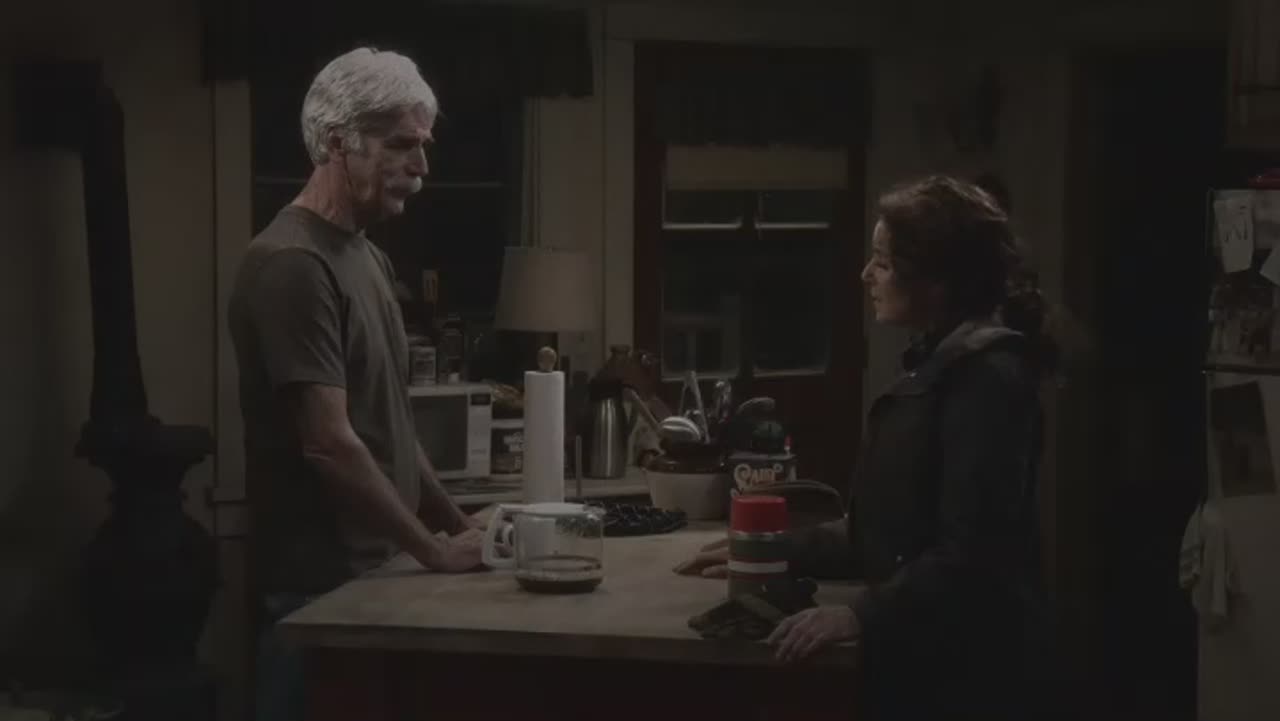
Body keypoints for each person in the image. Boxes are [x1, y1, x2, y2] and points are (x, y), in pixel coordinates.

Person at [679, 175, 1056, 720]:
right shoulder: (939, 364)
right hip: (925, 663)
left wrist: (861, 615)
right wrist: (774, 549)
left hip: (969, 678)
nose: (865, 275)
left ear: (936, 279)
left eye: (882, 261)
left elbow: (971, 553)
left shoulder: (988, 380)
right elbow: (884, 533)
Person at [228, 47, 486, 721]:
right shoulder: (291, 262)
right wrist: (433, 551)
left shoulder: (368, 256)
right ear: (338, 142)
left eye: (423, 146)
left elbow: (389, 424)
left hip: (379, 575)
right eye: (401, 144)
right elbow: (329, 443)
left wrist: (461, 527)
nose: (421, 167)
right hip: (319, 592)